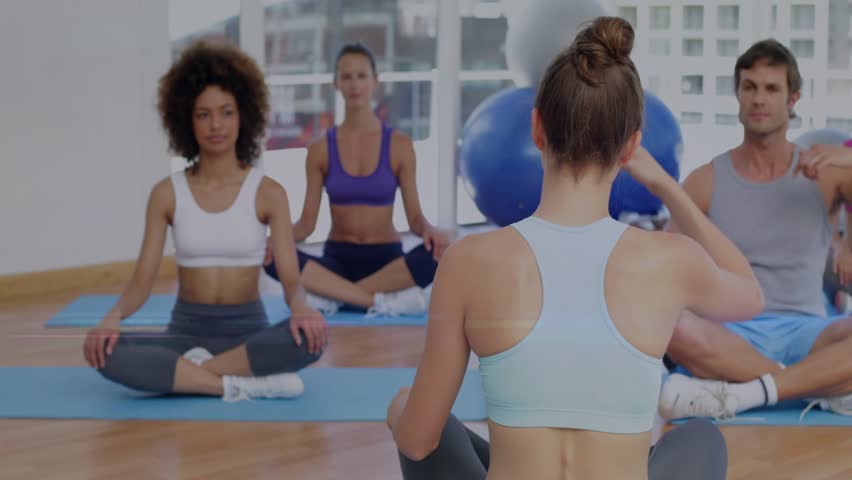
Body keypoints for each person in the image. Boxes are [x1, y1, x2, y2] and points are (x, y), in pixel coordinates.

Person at [385, 17, 764, 480]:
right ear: (630, 149)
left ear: (537, 128)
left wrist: (399, 412)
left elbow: (419, 441)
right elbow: (751, 293)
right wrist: (666, 186)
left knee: (415, 409)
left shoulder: (468, 262)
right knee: (700, 437)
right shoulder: (669, 260)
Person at [83, 40, 327, 401]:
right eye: (204, 114)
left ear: (243, 115)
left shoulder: (269, 193)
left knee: (310, 339)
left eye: (226, 112)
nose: (216, 125)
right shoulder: (166, 193)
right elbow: (142, 281)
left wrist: (303, 307)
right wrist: (112, 316)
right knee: (106, 351)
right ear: (186, 119)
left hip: (248, 333)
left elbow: (290, 280)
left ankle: (190, 378)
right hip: (184, 334)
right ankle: (237, 383)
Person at [658, 40, 852, 420]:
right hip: (730, 336)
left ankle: (746, 390)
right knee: (670, 323)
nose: (759, 99)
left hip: (810, 334)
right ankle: (815, 385)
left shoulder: (826, 171)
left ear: (792, 99)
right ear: (738, 95)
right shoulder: (704, 181)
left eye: (771, 88)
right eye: (750, 87)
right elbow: (663, 264)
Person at [263, 43, 451, 316]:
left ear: (375, 82)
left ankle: (338, 296)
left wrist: (431, 232)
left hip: (388, 262)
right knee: (271, 258)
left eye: (362, 76)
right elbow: (306, 225)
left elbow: (415, 220)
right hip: (337, 259)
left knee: (440, 254)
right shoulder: (320, 149)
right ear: (336, 83)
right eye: (346, 76)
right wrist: (272, 242)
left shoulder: (399, 145)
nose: (354, 84)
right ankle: (376, 300)